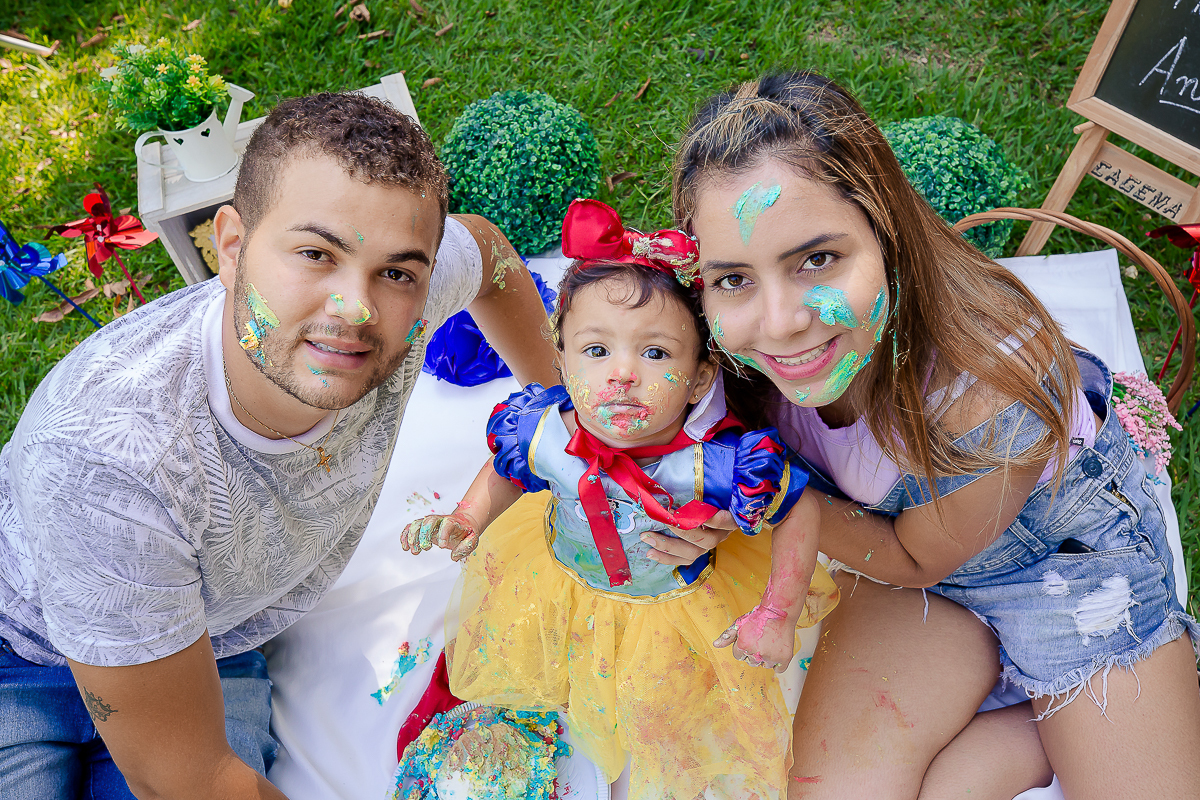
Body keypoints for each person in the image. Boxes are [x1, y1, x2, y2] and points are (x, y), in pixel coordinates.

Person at [0, 92, 561, 800]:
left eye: (395, 273)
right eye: (314, 254)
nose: (353, 311)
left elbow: (484, 249)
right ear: (230, 247)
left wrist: (560, 402)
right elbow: (189, 779)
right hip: (18, 654)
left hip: (210, 643)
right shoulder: (108, 460)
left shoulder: (410, 294)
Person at [671, 71, 1200, 799]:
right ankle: (1043, 710)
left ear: (888, 233)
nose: (781, 321)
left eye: (817, 260)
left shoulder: (994, 390)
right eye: (732, 278)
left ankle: (1059, 716)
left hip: (1061, 566)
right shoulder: (719, 351)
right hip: (896, 556)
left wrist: (758, 499)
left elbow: (915, 556)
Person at [398, 198, 839, 800]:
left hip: (672, 606)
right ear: (561, 359)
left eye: (655, 353)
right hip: (562, 584)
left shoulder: (715, 463)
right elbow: (509, 471)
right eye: (596, 350)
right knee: (546, 675)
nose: (622, 373)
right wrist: (469, 517)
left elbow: (800, 509)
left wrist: (777, 611)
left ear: (700, 378)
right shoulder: (544, 428)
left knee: (672, 722)